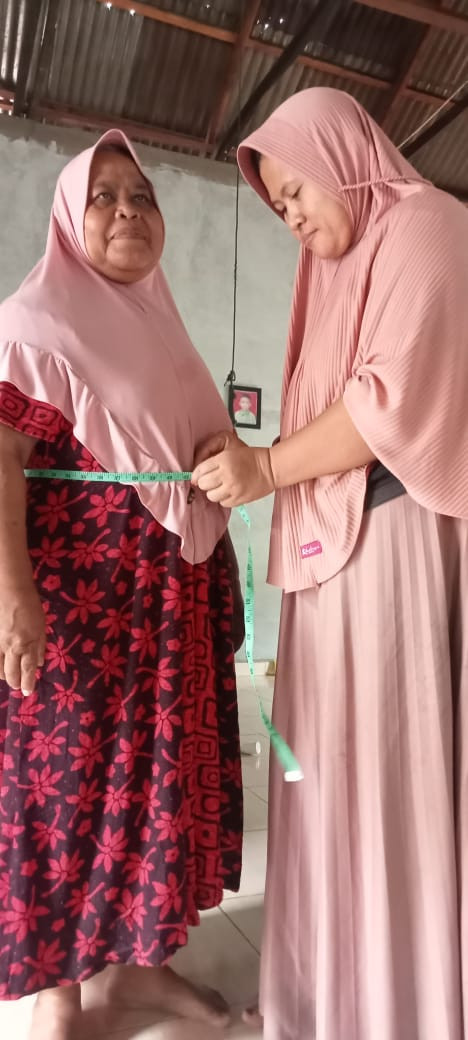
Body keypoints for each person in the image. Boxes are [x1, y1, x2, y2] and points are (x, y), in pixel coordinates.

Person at [192, 87, 468, 1040]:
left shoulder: (428, 227)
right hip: (327, 565)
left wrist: (266, 468)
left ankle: (398, 1006)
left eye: (298, 190)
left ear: (341, 154)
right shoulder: (331, 278)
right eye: (279, 206)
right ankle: (325, 1000)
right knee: (320, 780)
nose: (294, 218)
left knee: (385, 781)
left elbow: (385, 405)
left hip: (391, 546)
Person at [0, 130, 244, 1040]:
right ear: (69, 217)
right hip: (79, 606)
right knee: (63, 786)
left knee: (156, 783)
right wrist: (12, 594)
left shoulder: (162, 329)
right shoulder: (35, 323)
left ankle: (139, 971)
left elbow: (187, 452)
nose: (128, 212)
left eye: (143, 196)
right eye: (103, 196)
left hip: (166, 605)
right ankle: (57, 997)